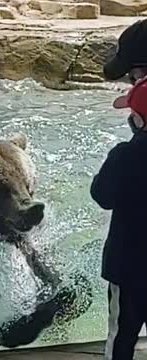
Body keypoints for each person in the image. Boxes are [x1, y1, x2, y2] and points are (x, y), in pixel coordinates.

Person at [91, 73, 147, 359]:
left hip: (128, 268)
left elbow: (102, 196)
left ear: (138, 120)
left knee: (121, 335)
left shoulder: (125, 155)